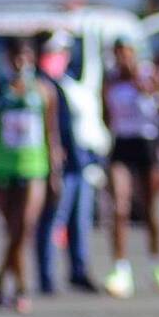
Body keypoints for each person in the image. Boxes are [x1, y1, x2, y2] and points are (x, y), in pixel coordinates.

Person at [0, 38, 63, 313]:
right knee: (13, 231)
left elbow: (51, 133)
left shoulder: (44, 91)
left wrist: (54, 171)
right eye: (15, 57)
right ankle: (13, 285)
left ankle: (10, 284)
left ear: (32, 59)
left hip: (35, 167)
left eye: (25, 57)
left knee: (24, 227)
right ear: (8, 58)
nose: (20, 62)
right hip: (4, 167)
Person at [102, 39, 159, 299]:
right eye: (119, 55)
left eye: (127, 54)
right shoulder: (110, 81)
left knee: (152, 208)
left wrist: (153, 92)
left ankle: (157, 265)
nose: (124, 60)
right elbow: (106, 116)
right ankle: (120, 268)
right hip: (123, 143)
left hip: (147, 143)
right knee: (119, 207)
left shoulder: (152, 74)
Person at [34, 31, 103, 295]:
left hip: (79, 161)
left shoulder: (67, 82)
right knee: (53, 219)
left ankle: (79, 270)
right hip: (57, 164)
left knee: (80, 220)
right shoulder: (41, 86)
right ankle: (47, 277)